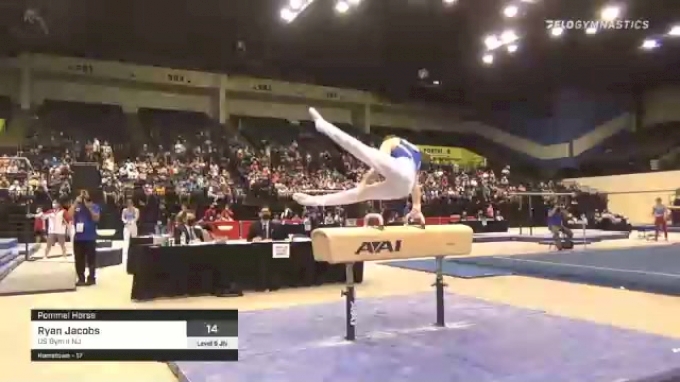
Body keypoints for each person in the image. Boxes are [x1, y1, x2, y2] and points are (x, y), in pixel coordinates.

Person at [293, 108, 423, 219]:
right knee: (359, 195)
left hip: (401, 173)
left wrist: (363, 183)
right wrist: (417, 207)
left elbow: (377, 165)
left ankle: (322, 125)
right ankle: (313, 201)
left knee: (359, 149)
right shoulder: (416, 154)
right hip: (403, 189)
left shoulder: (392, 141)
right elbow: (415, 184)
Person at [67, 190, 101, 286]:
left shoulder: (95, 206)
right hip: (78, 238)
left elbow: (96, 218)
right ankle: (81, 278)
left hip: (90, 237)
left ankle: (91, 278)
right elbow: (69, 215)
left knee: (91, 259)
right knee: (79, 259)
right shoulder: (77, 207)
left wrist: (88, 207)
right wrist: (75, 202)